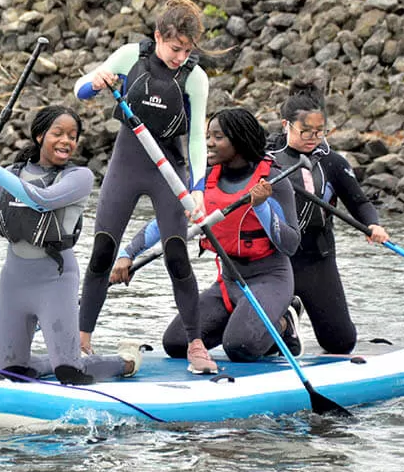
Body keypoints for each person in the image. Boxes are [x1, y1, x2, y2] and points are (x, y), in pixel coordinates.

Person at [0, 105, 142, 385]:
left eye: (72, 136)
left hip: (55, 282)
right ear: (40, 136)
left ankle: (126, 361)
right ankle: (51, 361)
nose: (66, 141)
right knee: (11, 371)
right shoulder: (12, 173)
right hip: (14, 283)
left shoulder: (79, 177)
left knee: (71, 373)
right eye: (58, 133)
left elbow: (43, 200)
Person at [73, 0, 216, 373]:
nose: (180, 57)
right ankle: (81, 342)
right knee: (103, 251)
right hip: (127, 164)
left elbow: (197, 138)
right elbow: (79, 89)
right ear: (157, 37)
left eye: (187, 50)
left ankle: (196, 344)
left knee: (176, 256)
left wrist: (197, 188)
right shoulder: (130, 57)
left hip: (169, 171)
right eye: (174, 48)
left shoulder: (195, 78)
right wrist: (95, 83)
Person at [111, 108, 303, 363]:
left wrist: (261, 207)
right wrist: (127, 254)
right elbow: (165, 221)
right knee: (177, 343)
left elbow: (290, 244)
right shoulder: (202, 182)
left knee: (240, 347)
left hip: (270, 279)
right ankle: (247, 324)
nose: (209, 143)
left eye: (218, 137)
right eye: (208, 136)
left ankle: (284, 322)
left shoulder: (274, 181)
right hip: (228, 281)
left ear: (239, 140)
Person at [266, 81, 390, 354]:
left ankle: (294, 308)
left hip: (317, 259)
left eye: (319, 131)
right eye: (305, 131)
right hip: (274, 260)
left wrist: (373, 224)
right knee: (265, 347)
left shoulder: (332, 162)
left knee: (340, 343)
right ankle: (285, 319)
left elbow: (359, 202)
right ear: (286, 125)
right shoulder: (266, 161)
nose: (313, 138)